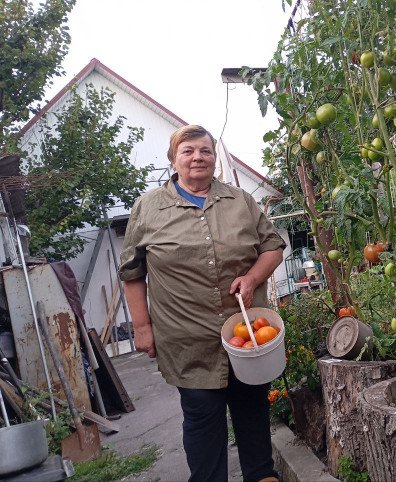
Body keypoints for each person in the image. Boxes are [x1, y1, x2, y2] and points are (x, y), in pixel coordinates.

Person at [119, 125, 285, 482]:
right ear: (173, 159)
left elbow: (272, 247)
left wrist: (252, 277)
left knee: (252, 406)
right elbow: (132, 272)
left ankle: (261, 475)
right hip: (186, 338)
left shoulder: (240, 201)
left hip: (247, 332)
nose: (198, 157)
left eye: (205, 151)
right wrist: (142, 327)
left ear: (213, 158)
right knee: (202, 414)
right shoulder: (148, 208)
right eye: (188, 151)